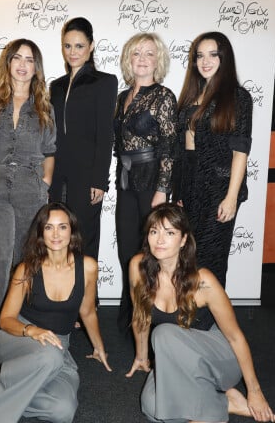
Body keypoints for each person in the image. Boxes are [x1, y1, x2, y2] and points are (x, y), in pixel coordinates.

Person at [126, 203, 275, 423]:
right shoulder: (137, 267)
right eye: (154, 231)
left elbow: (235, 337)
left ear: (183, 240)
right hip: (178, 361)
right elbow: (140, 317)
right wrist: (141, 357)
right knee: (151, 407)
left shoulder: (202, 281)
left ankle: (210, 407)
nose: (159, 240)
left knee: (162, 334)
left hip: (218, 359)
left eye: (169, 233)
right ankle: (225, 402)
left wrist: (255, 391)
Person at [0, 202, 111, 422]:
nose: (56, 234)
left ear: (72, 231)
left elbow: (87, 312)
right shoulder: (28, 268)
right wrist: (31, 330)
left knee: (62, 410)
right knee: (49, 356)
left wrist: (99, 348)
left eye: (62, 227)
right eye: (49, 227)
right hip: (18, 337)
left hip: (58, 346)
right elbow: (6, 320)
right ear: (41, 232)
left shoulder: (88, 267)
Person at [0, 39, 56, 348]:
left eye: (30, 59)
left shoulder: (44, 106)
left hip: (30, 189)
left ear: (36, 67)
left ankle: (18, 315)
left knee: (24, 257)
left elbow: (49, 150)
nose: (22, 64)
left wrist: (44, 182)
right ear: (8, 63)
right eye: (17, 58)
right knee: (3, 256)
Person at [173, 31, 253, 288]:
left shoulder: (238, 98)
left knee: (211, 258)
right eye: (199, 56)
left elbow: (241, 151)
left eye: (213, 55)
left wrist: (231, 197)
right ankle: (189, 314)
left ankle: (208, 321)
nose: (205, 61)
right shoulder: (190, 96)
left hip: (219, 187)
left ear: (224, 58)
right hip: (191, 185)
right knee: (188, 257)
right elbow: (184, 151)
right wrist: (180, 189)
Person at [114, 33, 177, 335]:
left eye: (149, 53)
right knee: (128, 250)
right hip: (125, 181)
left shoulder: (163, 96)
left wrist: (162, 189)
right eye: (136, 53)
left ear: (158, 60)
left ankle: (154, 319)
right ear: (128, 58)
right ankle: (133, 318)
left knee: (152, 252)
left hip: (152, 179)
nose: (142, 58)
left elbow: (168, 146)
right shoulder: (120, 97)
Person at [49, 17, 118, 259]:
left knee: (85, 241)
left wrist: (100, 180)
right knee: (58, 242)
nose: (73, 52)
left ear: (91, 46)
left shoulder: (105, 82)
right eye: (67, 46)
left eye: (79, 46)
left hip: (87, 177)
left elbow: (106, 134)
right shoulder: (55, 86)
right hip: (57, 177)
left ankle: (89, 297)